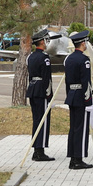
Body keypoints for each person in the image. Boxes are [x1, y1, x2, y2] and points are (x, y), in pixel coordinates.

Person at [64, 31, 93, 170]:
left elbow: (67, 81)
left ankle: (72, 157)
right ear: (83, 43)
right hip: (82, 97)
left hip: (72, 95)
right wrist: (88, 101)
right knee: (81, 129)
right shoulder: (84, 60)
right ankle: (79, 158)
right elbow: (86, 82)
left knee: (74, 128)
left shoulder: (69, 59)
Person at [25, 29, 54, 161]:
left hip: (32, 89)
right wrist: (49, 95)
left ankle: (36, 149)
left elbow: (30, 75)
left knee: (36, 120)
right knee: (43, 120)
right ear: (41, 42)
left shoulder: (30, 57)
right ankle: (40, 151)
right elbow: (47, 78)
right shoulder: (44, 58)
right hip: (42, 91)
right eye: (45, 40)